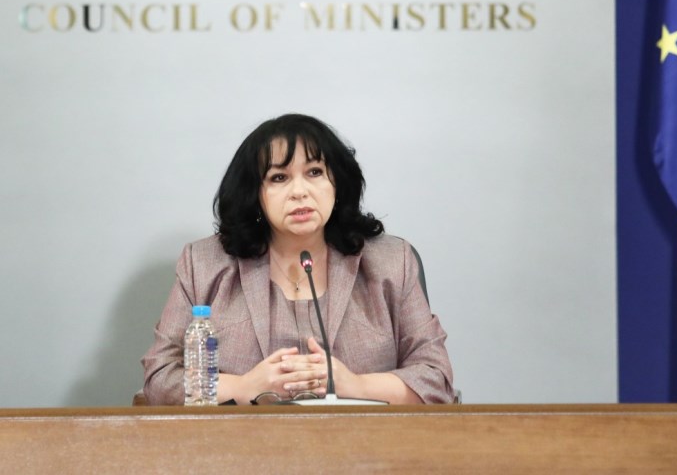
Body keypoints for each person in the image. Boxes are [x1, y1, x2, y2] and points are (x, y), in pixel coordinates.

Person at [142, 114, 454, 405]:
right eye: (279, 177)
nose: (299, 192)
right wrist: (243, 387)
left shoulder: (391, 263)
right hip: (242, 444)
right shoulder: (204, 265)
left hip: (363, 443)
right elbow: (160, 378)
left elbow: (435, 379)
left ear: (337, 182)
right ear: (254, 193)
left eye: (314, 172)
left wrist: (354, 385)